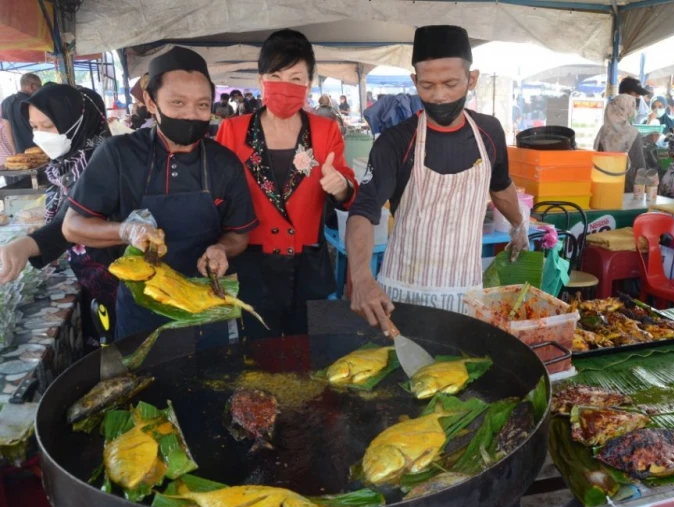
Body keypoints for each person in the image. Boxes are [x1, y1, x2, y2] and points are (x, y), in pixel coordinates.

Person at [61, 47, 259, 342]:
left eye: (202, 105)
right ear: (152, 103)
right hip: (142, 306)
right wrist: (126, 231)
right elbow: (72, 226)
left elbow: (238, 235)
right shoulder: (118, 155)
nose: (191, 114)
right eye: (178, 103)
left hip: (204, 300)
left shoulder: (225, 163)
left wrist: (222, 250)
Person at [346, 25, 527, 330]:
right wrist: (361, 277)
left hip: (464, 295)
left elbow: (501, 186)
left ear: (472, 79)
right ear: (414, 81)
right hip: (400, 297)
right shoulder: (396, 141)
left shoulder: (489, 132)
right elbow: (363, 211)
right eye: (427, 86)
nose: (439, 96)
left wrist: (519, 225)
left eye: (450, 83)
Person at [215, 30, 358, 339]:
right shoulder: (232, 130)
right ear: (260, 80)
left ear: (308, 84)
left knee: (308, 357)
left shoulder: (325, 130)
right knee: (257, 357)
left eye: (295, 78)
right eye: (275, 75)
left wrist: (342, 185)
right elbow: (217, 194)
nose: (285, 86)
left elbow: (349, 191)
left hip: (307, 266)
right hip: (250, 266)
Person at [0, 85, 117, 346]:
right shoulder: (65, 162)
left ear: (75, 121)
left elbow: (72, 217)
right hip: (85, 268)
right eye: (34, 126)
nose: (39, 135)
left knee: (112, 341)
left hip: (109, 273)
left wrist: (29, 245)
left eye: (48, 126)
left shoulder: (101, 161)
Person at [594, 94, 647, 193]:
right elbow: (639, 166)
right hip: (625, 186)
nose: (634, 111)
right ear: (625, 110)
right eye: (633, 107)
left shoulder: (603, 131)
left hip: (602, 185)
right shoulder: (632, 133)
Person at [1, 73, 42, 153]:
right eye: (39, 86)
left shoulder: (5, 102)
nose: (40, 90)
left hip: (20, 151)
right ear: (32, 86)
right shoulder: (33, 101)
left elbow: (7, 128)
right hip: (38, 150)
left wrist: (14, 149)